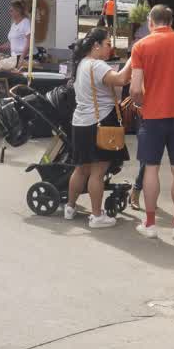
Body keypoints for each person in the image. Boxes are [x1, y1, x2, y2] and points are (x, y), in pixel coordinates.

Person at [129, 5, 174, 241]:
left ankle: (150, 223)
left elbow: (135, 88)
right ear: (171, 20)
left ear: (151, 21)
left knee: (151, 168)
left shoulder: (141, 46)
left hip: (153, 115)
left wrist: (140, 104)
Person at [64, 29, 140, 230]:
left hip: (80, 122)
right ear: (95, 45)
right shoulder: (96, 65)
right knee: (97, 172)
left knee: (81, 169)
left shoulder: (82, 64)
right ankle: (96, 216)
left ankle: (70, 207)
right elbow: (122, 79)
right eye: (107, 43)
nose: (110, 47)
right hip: (99, 122)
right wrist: (135, 55)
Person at [4, 0, 32, 66]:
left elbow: (29, 41)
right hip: (14, 57)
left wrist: (22, 58)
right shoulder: (13, 24)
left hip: (24, 57)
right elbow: (12, 41)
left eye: (11, 11)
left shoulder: (26, 22)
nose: (9, 13)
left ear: (18, 11)